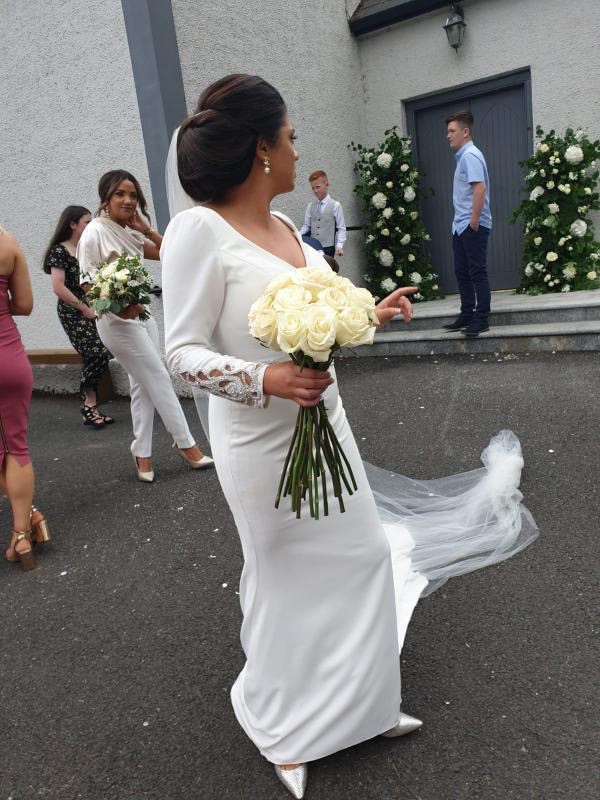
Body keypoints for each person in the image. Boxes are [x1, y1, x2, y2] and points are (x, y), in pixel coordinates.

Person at [161, 75, 537, 798]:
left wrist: (373, 310)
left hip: (324, 422)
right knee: (284, 582)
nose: (298, 150)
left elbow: (324, 303)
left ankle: (360, 709)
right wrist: (264, 379)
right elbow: (179, 351)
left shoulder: (287, 229)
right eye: (291, 137)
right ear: (261, 149)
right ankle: (286, 728)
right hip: (259, 443)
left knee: (364, 556)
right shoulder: (196, 230)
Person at [76, 170, 213, 482]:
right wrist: (120, 306)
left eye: (133, 195)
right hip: (115, 321)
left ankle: (143, 453)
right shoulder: (95, 232)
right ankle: (187, 445)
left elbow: (171, 253)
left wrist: (147, 230)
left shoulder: (130, 232)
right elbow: (86, 282)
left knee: (142, 386)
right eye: (120, 194)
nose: (127, 200)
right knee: (158, 376)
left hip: (143, 316)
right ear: (105, 199)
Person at [0, 226, 51, 570]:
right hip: (9, 358)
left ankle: (25, 523)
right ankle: (24, 528)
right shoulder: (7, 241)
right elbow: (25, 304)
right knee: (15, 444)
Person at [43, 205, 114, 428]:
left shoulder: (85, 248)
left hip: (93, 308)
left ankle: (90, 405)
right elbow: (58, 287)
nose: (90, 226)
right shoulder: (59, 251)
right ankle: (89, 404)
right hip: (72, 312)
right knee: (96, 352)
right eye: (86, 222)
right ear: (72, 224)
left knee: (104, 351)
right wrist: (84, 309)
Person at [443, 110, 493, 337]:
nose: (448, 135)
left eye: (452, 131)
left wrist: (473, 221)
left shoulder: (470, 155)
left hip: (471, 225)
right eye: (448, 131)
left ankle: (481, 319)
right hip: (461, 225)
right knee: (462, 272)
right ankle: (467, 314)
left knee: (477, 272)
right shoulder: (464, 156)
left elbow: (479, 188)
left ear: (465, 131)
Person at [299, 170, 346, 257]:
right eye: (313, 188)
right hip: (313, 246)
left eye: (318, 187)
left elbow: (341, 227)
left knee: (327, 269)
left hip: (328, 247)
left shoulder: (335, 205)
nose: (315, 191)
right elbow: (306, 226)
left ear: (326, 185)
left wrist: (339, 245)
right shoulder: (310, 206)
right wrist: (297, 235)